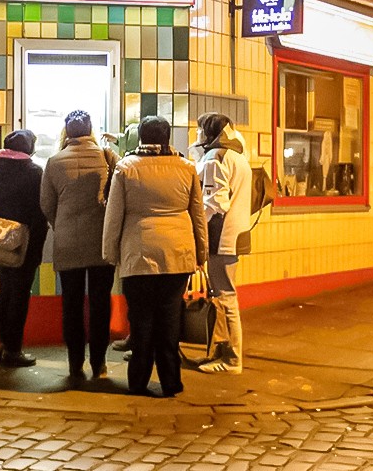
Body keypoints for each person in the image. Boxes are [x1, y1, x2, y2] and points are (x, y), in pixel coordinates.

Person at [102, 115, 208, 398]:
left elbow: (114, 216)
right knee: (170, 318)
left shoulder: (126, 168)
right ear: (167, 138)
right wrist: (201, 252)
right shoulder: (187, 168)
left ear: (140, 138)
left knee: (141, 320)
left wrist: (110, 252)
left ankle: (138, 381)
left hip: (138, 255)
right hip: (178, 254)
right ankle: (171, 381)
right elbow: (197, 214)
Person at [40, 110, 118, 380]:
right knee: (100, 305)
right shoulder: (107, 158)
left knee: (71, 305)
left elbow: (46, 205)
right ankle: (100, 365)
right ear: (91, 130)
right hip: (100, 244)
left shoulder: (54, 162)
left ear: (67, 132)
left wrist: (61, 225)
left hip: (68, 243)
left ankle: (75, 365)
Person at [192, 112, 257, 374]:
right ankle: (222, 352)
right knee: (224, 297)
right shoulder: (238, 157)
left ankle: (232, 359)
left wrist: (197, 225)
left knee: (226, 298)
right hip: (236, 234)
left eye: (199, 130)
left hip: (221, 237)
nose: (196, 135)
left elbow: (216, 203)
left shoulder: (215, 158)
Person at [0, 128, 48, 367]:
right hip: (24, 243)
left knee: (6, 291)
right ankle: (13, 350)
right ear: (28, 148)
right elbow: (39, 213)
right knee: (19, 296)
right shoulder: (33, 172)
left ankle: (4, 343)